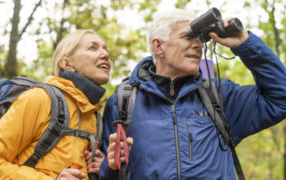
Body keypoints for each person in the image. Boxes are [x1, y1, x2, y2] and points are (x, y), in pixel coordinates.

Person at [99, 8, 286, 179]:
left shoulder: (220, 96)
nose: (198, 45)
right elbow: (106, 174)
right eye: (188, 37)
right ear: (159, 46)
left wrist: (245, 43)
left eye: (200, 38)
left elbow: (281, 98)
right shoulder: (123, 102)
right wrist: (111, 169)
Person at [0, 29, 111, 179]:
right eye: (92, 47)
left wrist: (103, 170)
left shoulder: (94, 118)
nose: (105, 54)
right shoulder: (40, 99)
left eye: (105, 49)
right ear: (66, 63)